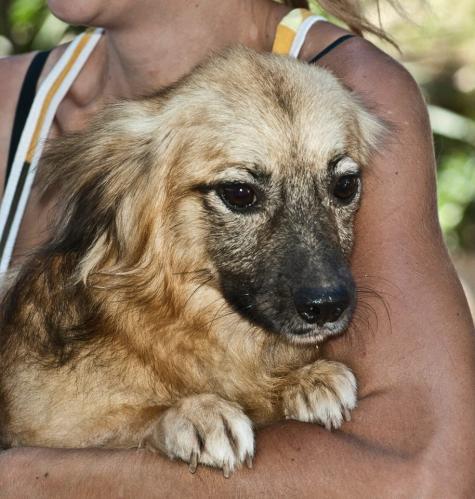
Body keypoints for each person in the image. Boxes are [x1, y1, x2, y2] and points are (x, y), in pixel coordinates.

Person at [0, 0, 474, 496]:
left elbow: (428, 479)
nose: (324, 288)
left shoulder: (357, 86)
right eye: (242, 194)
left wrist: (21, 476)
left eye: (341, 188)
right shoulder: (21, 100)